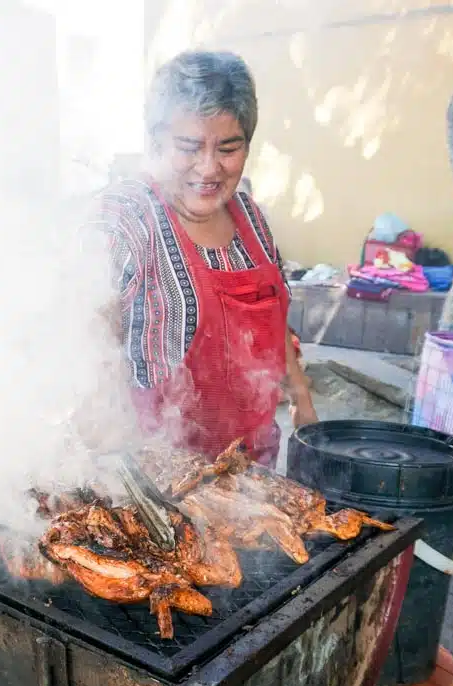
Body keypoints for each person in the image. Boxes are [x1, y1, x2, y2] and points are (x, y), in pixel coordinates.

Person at [92, 50, 317, 467]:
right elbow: (86, 339)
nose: (209, 167)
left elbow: (274, 319)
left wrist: (301, 397)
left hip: (250, 474)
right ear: (156, 141)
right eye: (189, 147)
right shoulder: (126, 217)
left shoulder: (250, 217)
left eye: (228, 148)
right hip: (158, 483)